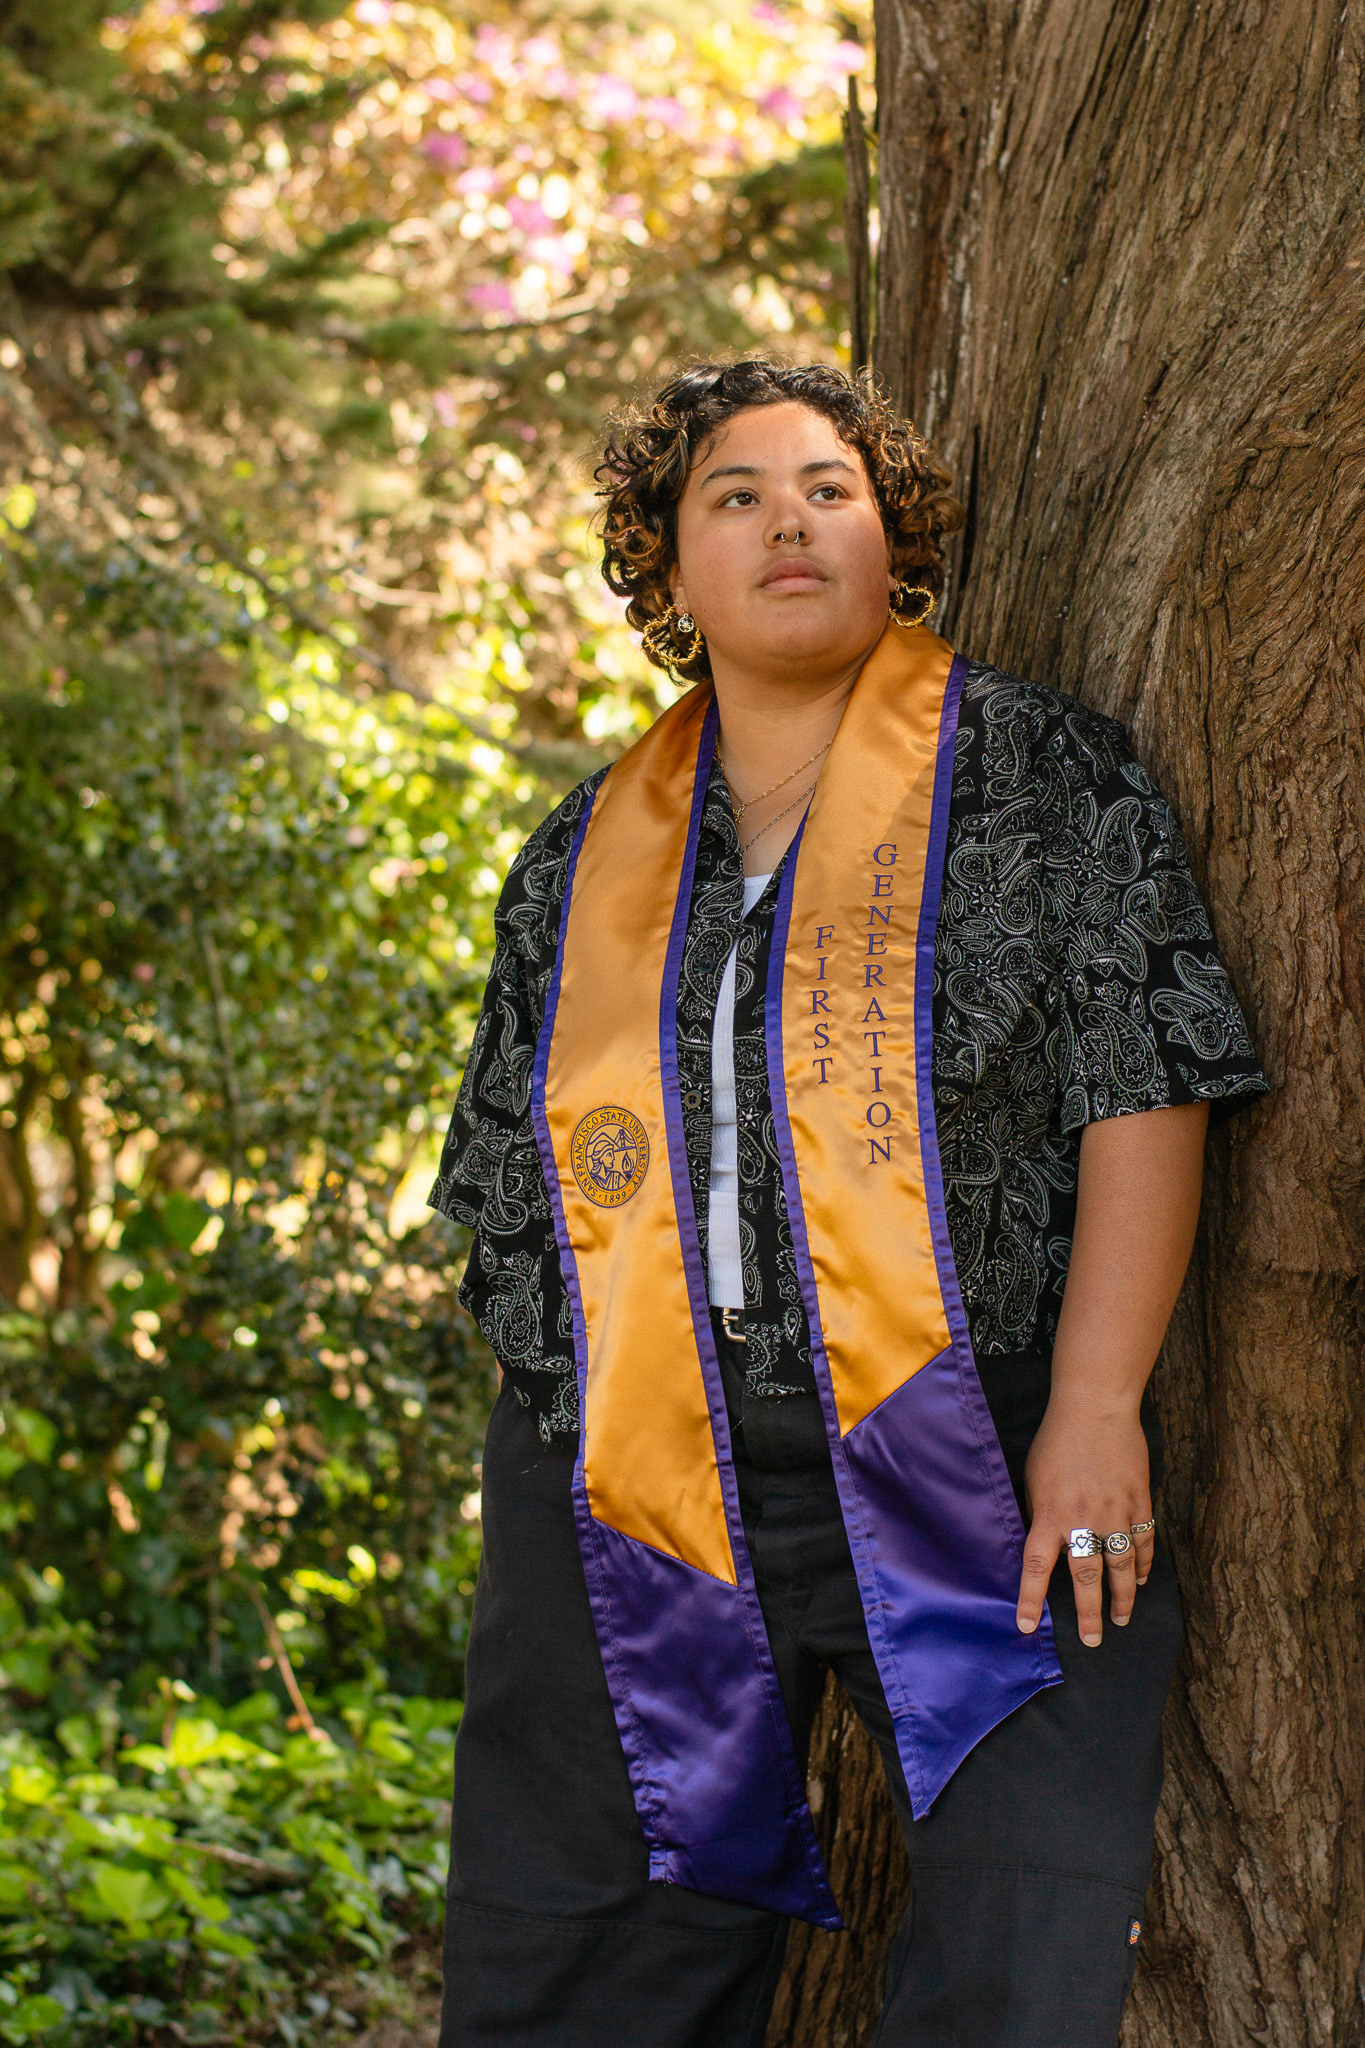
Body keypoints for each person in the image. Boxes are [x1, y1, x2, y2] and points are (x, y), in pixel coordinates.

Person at [428, 359, 1267, 2048]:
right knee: (594, 1963)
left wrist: (1093, 1402)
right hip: (640, 1458)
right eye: (731, 497)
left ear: (897, 541)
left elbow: (1140, 1075)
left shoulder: (1035, 777)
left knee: (1019, 1951)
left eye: (829, 489)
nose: (788, 524)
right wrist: (561, 1436)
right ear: (668, 573)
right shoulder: (581, 852)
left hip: (971, 1439)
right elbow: (510, 1166)